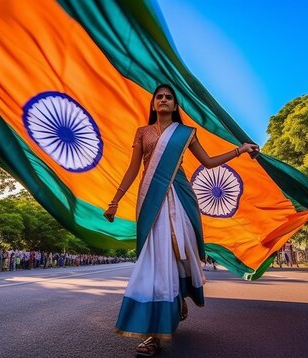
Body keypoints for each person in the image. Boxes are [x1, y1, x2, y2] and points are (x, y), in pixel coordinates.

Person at [103, 84, 259, 356]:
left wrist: (241, 149)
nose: (163, 100)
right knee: (154, 259)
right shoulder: (143, 133)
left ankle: (177, 296)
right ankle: (153, 334)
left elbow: (208, 162)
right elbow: (132, 169)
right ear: (153, 105)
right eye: (159, 97)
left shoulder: (186, 133)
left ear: (175, 106)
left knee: (178, 254)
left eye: (168, 98)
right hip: (150, 201)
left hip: (181, 198)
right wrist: (114, 201)